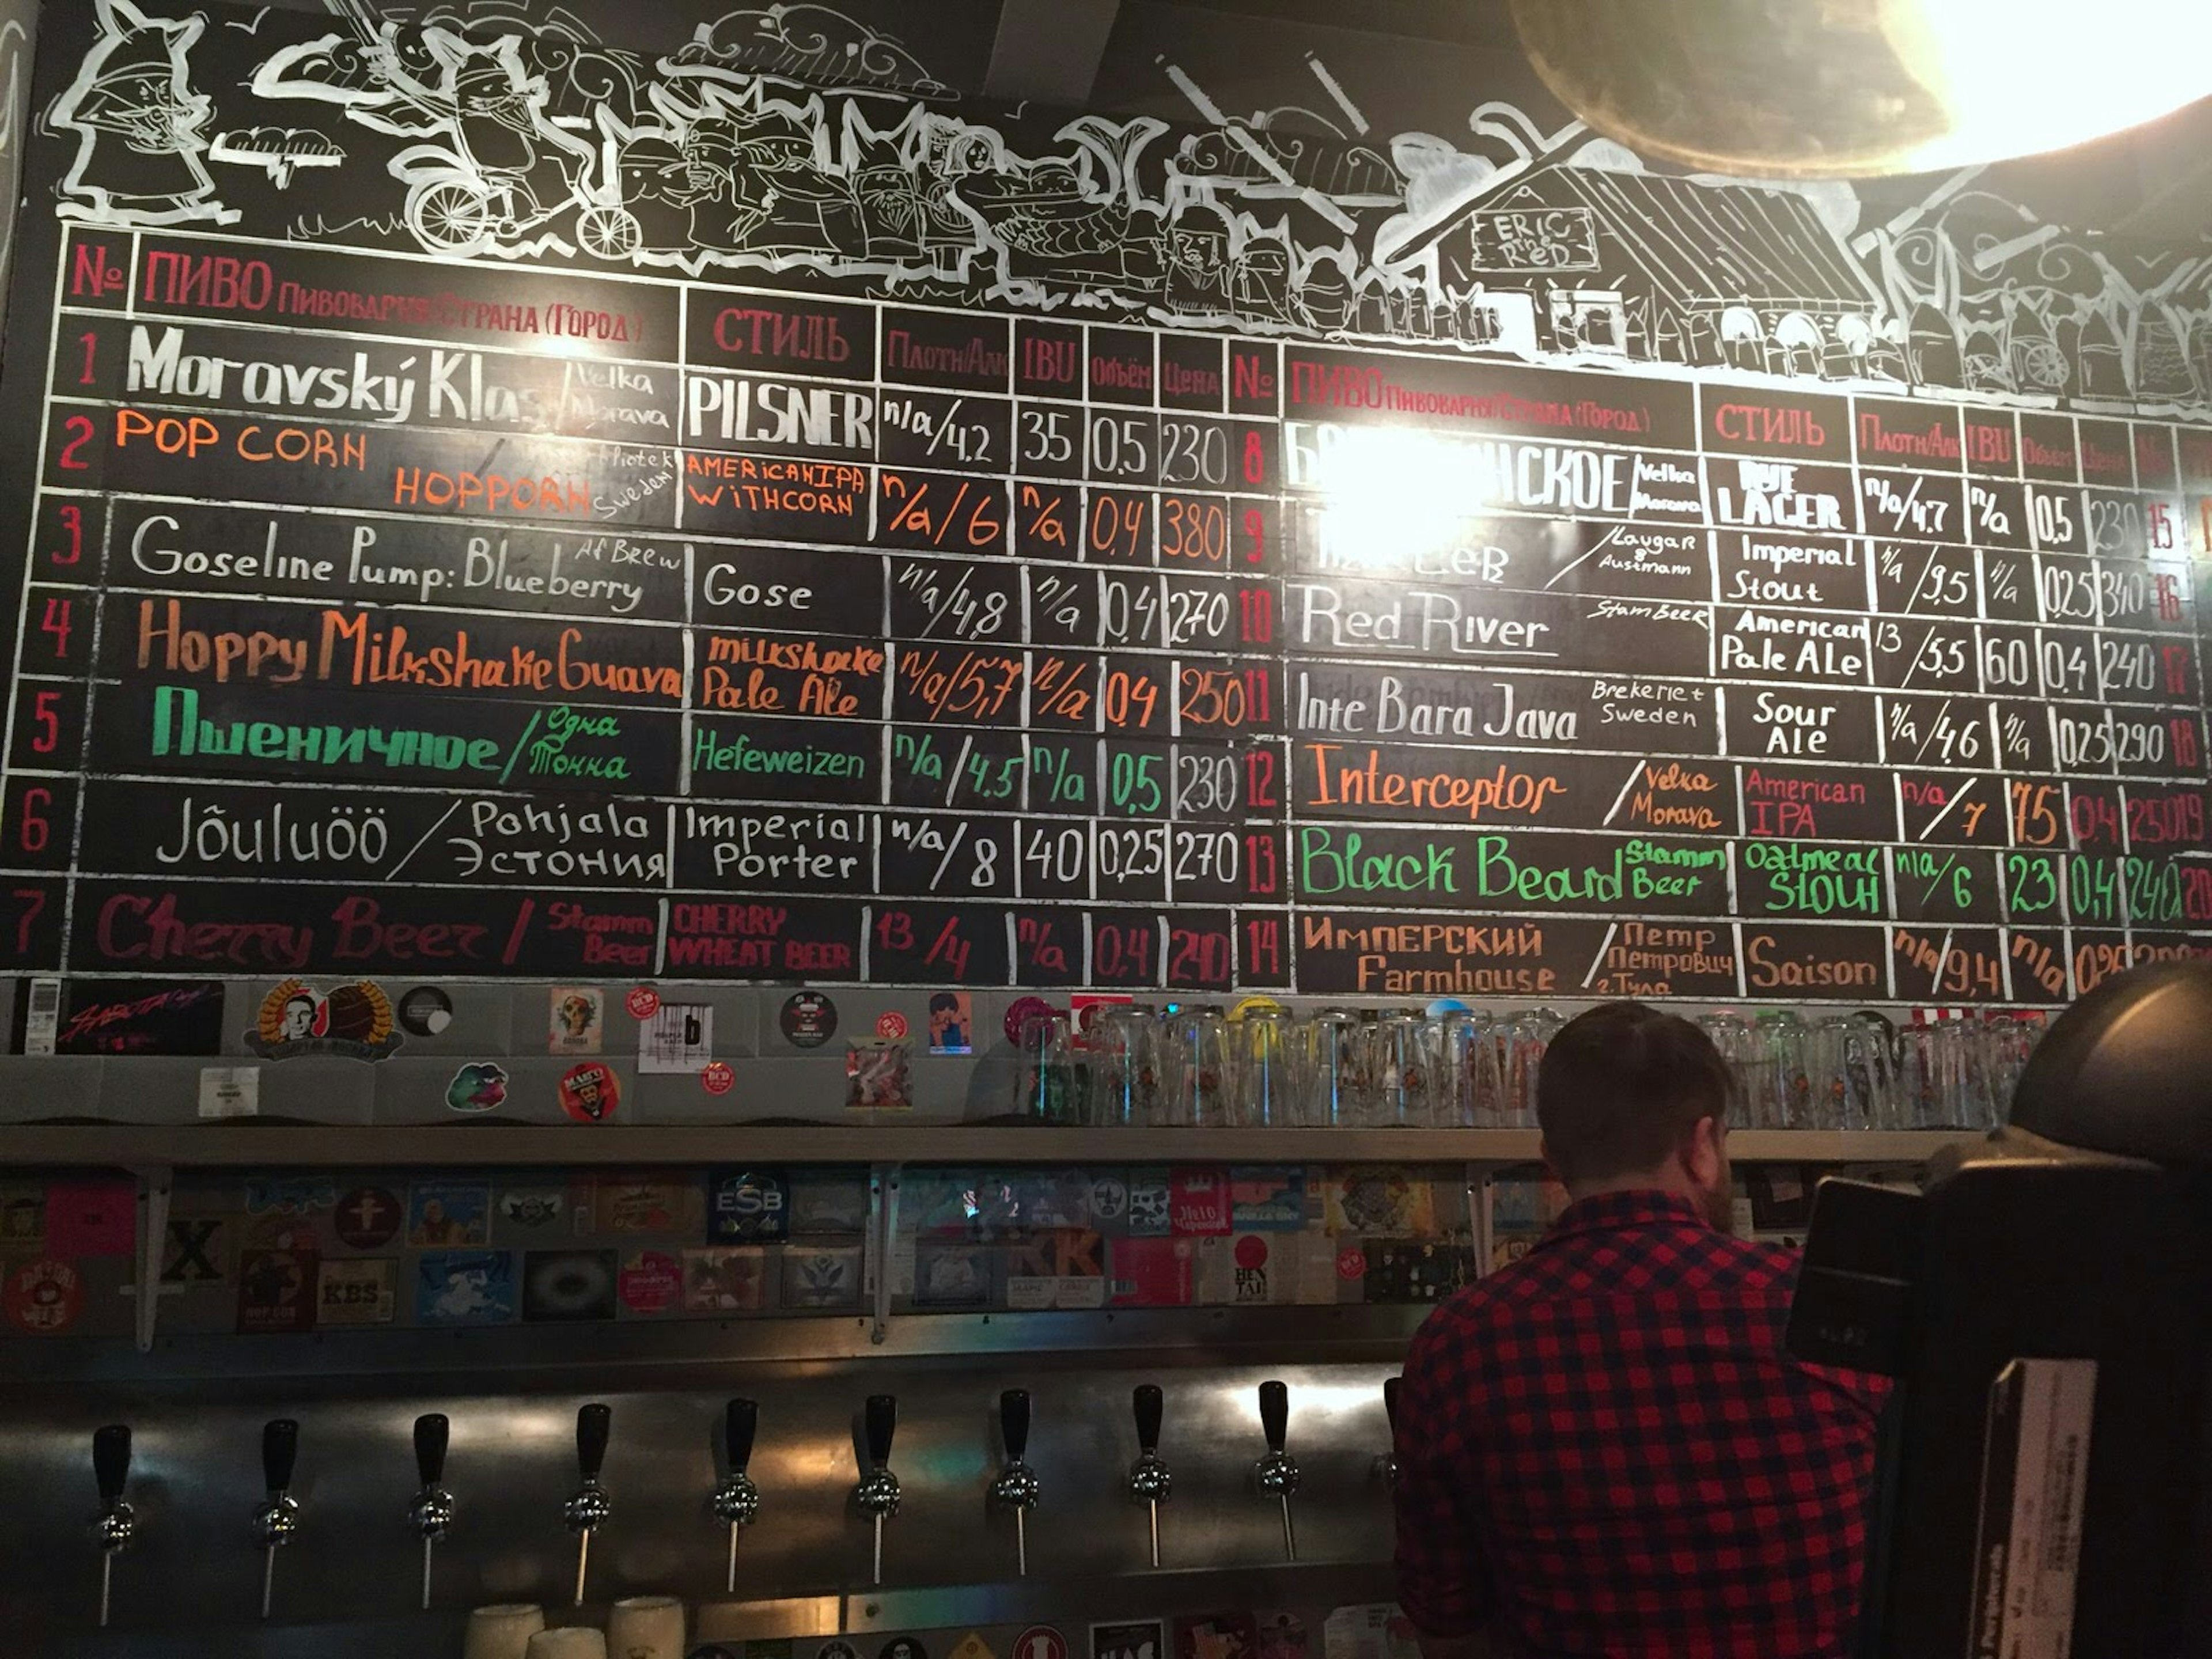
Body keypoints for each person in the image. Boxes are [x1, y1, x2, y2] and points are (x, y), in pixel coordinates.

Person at [1393, 1001, 1888, 1659]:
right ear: (1703, 1145)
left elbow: (1446, 1622)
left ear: (1552, 1161)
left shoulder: (1459, 1343)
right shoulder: (1827, 1308)